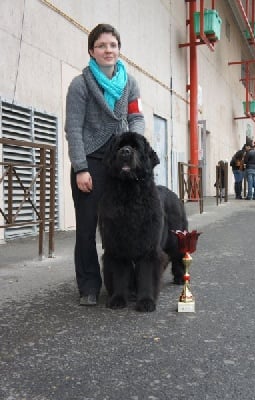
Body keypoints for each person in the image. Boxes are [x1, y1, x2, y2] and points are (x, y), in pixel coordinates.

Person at [65, 24, 145, 306]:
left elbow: (136, 117)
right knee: (87, 228)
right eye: (101, 45)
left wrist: (138, 145)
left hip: (122, 163)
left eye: (112, 45)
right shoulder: (80, 84)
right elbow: (73, 129)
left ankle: (124, 283)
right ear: (91, 51)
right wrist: (80, 167)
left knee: (122, 226)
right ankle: (88, 286)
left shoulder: (130, 83)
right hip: (92, 162)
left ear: (119, 49)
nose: (108, 50)